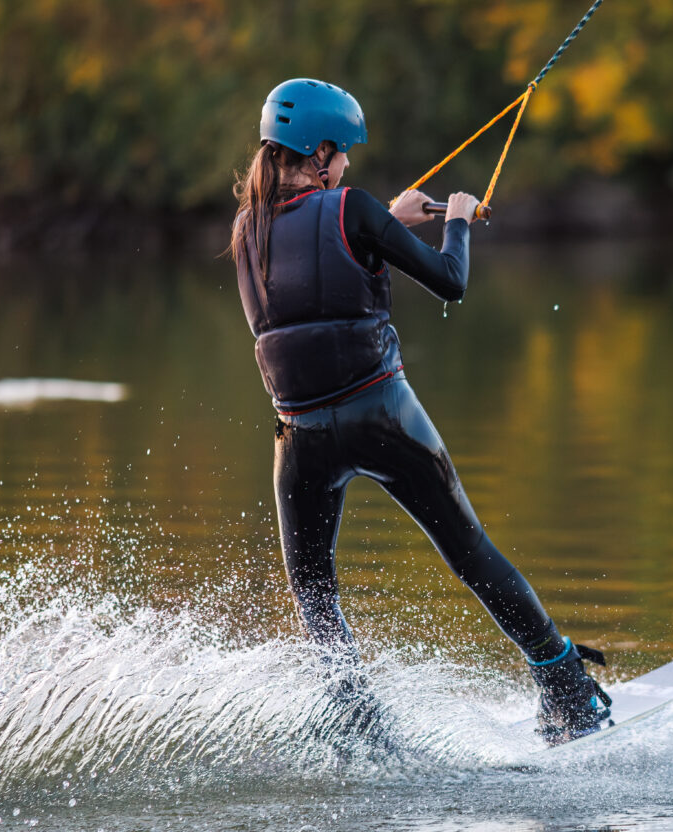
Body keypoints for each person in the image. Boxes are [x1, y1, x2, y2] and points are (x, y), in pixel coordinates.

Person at [228, 78, 610, 745]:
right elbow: (450, 282)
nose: (347, 164)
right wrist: (457, 217)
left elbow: (313, 272)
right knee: (468, 551)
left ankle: (356, 721)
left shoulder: (246, 231)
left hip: (301, 436)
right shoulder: (355, 207)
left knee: (315, 594)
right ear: (319, 152)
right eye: (342, 153)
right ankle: (566, 686)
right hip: (383, 415)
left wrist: (382, 222)